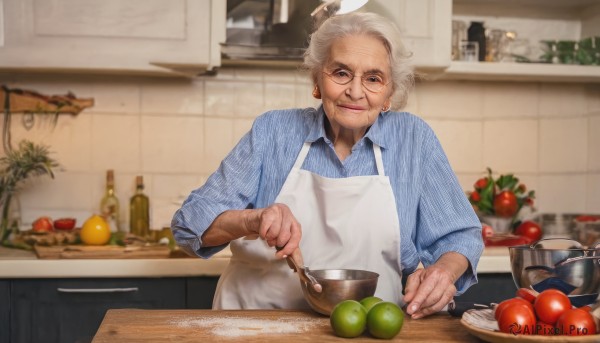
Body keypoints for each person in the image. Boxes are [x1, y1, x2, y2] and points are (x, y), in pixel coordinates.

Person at [171, 11, 483, 319]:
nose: (355, 91)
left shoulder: (414, 140)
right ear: (317, 80)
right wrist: (253, 219)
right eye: (341, 73)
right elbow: (189, 226)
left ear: (389, 92)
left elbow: (460, 237)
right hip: (252, 325)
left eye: (373, 78)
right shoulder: (273, 132)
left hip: (366, 327)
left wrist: (442, 272)